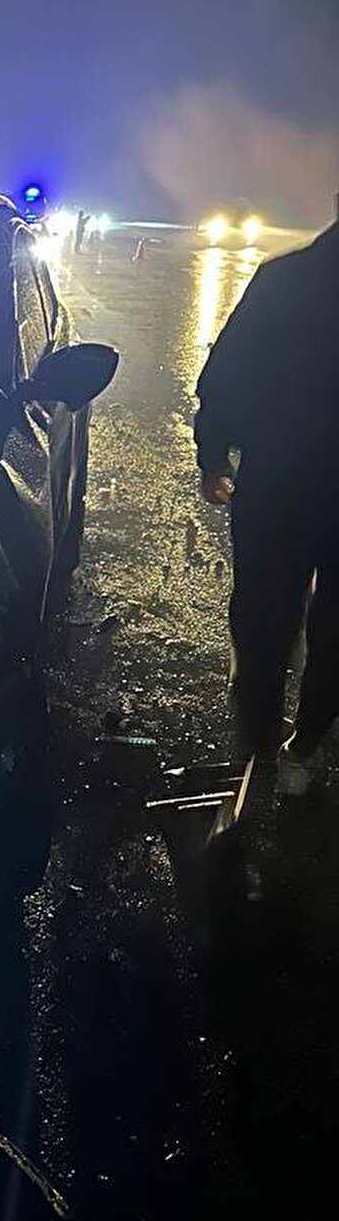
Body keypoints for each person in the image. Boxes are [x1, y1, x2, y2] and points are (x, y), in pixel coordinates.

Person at [195, 220, 339, 793]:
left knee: (263, 614)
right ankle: (303, 750)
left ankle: (256, 745)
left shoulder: (285, 280)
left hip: (279, 483)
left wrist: (214, 455)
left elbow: (227, 374)